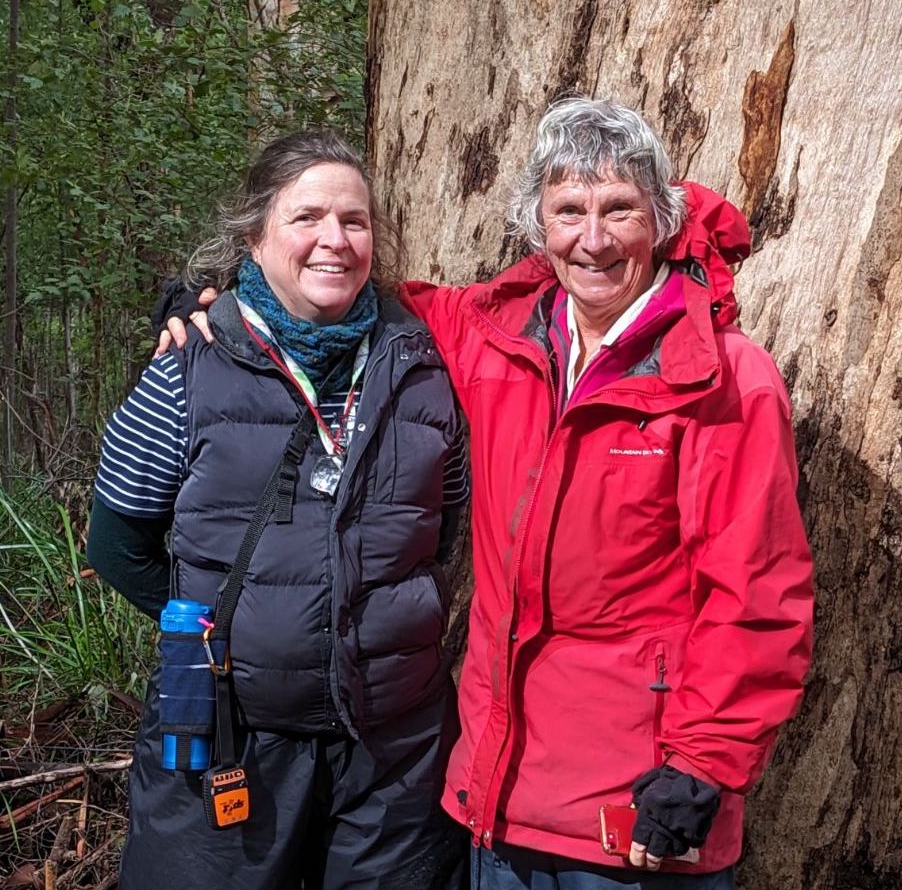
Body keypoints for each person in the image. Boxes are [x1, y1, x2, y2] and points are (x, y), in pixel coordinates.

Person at [159, 98, 814, 889]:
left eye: (620, 210)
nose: (594, 238)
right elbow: (346, 292)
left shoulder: (722, 377)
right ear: (538, 225)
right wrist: (224, 303)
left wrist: (706, 763)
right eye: (569, 210)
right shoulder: (495, 337)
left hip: (640, 813)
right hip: (495, 801)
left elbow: (758, 593)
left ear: (662, 221)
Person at [87, 129, 470, 890]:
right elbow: (115, 541)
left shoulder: (424, 366)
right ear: (255, 236)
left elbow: (444, 532)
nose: (334, 240)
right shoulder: (188, 368)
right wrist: (213, 629)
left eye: (355, 221)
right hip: (226, 737)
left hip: (392, 756)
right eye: (308, 218)